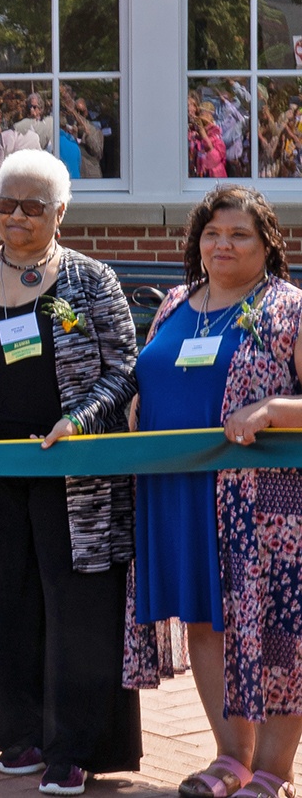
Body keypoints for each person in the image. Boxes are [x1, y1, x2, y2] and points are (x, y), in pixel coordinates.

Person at [0, 150, 141, 795]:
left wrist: (79, 419)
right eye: (4, 204)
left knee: (77, 605)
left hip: (73, 475)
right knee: (4, 599)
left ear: (61, 211)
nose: (15, 217)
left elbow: (124, 365)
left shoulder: (92, 279)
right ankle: (17, 734)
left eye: (32, 207)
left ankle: (75, 746)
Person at [125, 186, 302, 798]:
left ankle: (273, 772)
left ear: (267, 244)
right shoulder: (176, 302)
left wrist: (275, 408)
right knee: (205, 619)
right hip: (178, 492)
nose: (222, 244)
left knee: (276, 626)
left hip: (262, 503)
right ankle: (231, 759)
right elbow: (151, 376)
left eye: (239, 235)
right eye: (212, 234)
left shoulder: (289, 308)